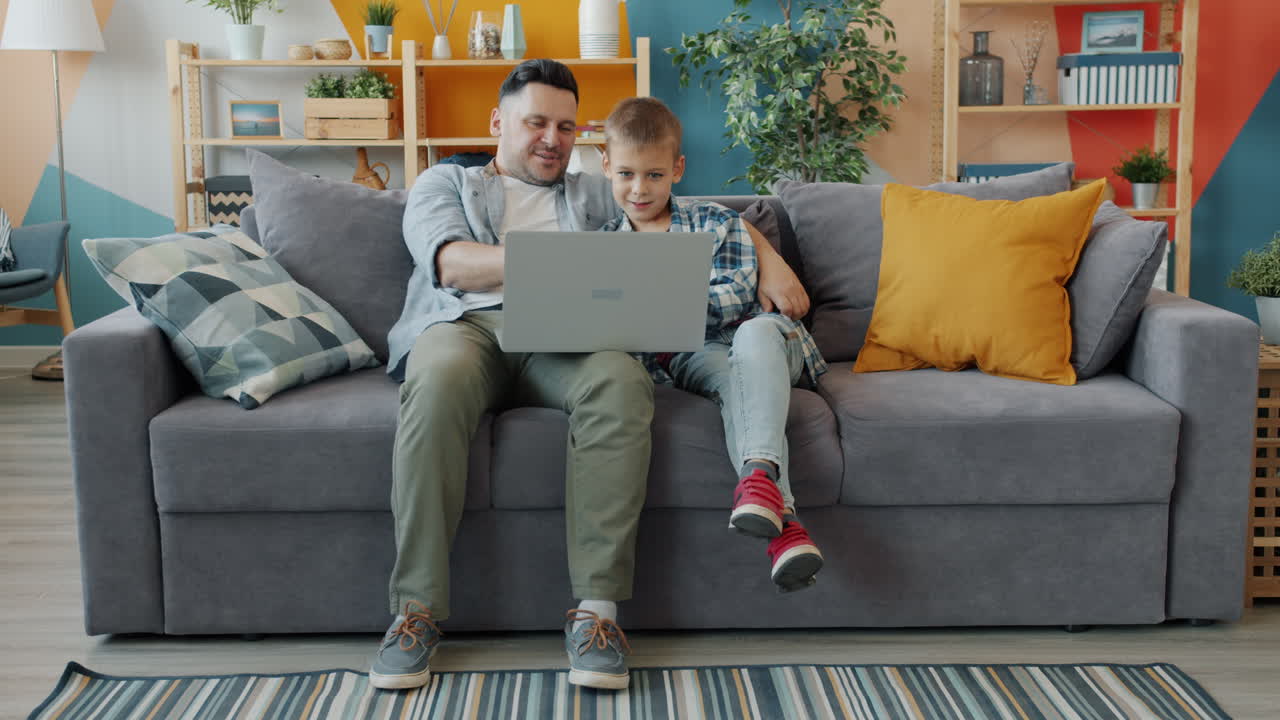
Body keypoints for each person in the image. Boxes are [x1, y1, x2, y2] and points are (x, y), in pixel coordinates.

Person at [373, 60, 811, 692]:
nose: (552, 139)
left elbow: (684, 206)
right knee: (436, 380)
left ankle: (597, 614)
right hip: (468, 328)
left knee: (622, 379)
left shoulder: (591, 188)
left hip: (567, 338)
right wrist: (562, 263)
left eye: (566, 127)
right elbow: (453, 265)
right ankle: (413, 612)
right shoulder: (447, 183)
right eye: (535, 123)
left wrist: (767, 256)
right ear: (499, 122)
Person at [599, 97, 829, 592]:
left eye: (655, 175)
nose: (640, 189)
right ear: (605, 167)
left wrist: (647, 300)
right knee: (733, 386)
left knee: (751, 334)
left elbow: (735, 298)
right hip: (694, 356)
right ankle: (782, 524)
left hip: (765, 339)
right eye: (626, 174)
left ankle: (769, 492)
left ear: (677, 169)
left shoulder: (715, 222)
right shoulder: (602, 245)